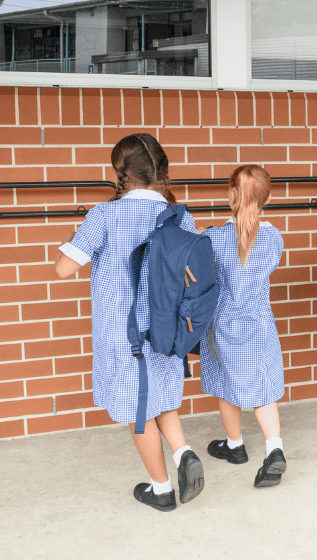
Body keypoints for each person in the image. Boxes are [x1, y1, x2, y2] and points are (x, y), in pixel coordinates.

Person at [54, 133, 204, 512]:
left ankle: (162, 490)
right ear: (161, 171)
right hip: (166, 332)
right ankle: (183, 452)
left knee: (139, 412)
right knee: (159, 398)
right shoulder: (180, 217)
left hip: (124, 338)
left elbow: (64, 268)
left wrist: (72, 237)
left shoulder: (103, 216)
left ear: (120, 172)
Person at [200, 165, 287, 487]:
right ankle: (274, 448)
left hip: (223, 325)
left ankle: (235, 445)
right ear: (267, 198)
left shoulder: (213, 239)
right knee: (262, 387)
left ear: (231, 195)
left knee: (226, 383)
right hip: (259, 324)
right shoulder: (274, 238)